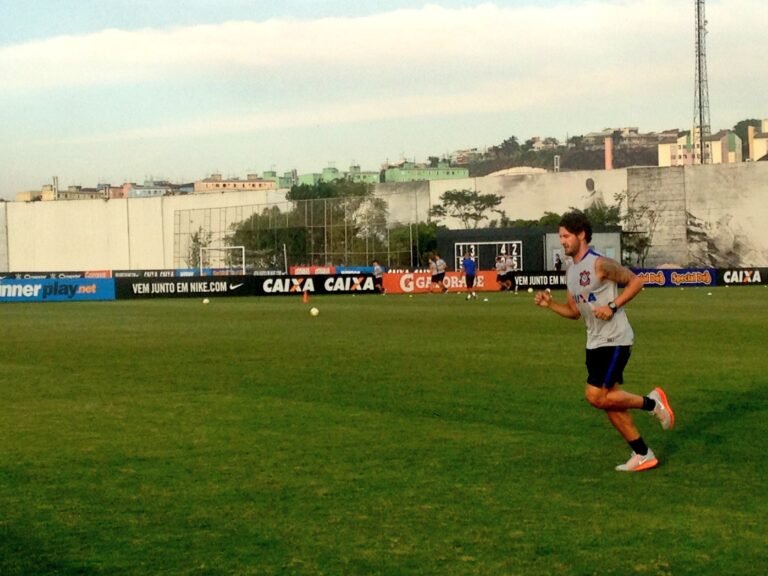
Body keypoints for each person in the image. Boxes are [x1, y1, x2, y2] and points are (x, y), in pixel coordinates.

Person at [533, 211, 675, 472]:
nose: (562, 241)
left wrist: (612, 305)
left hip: (615, 339)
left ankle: (653, 403)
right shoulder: (572, 271)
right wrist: (550, 304)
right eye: (560, 237)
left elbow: (636, 282)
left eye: (566, 236)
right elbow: (574, 313)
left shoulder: (599, 264)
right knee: (609, 400)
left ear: (581, 235)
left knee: (595, 395)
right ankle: (643, 454)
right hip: (594, 342)